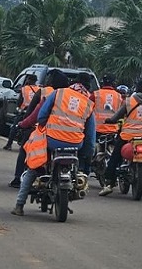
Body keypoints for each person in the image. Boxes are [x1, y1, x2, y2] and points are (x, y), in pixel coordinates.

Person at [11, 74, 95, 216]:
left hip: (52, 140)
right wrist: (86, 156)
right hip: (75, 144)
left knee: (34, 166)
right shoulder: (88, 103)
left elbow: (41, 116)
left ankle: (19, 205)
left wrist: (44, 126)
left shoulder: (58, 93)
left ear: (72, 83)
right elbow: (91, 135)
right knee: (78, 169)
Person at [8, 69, 69, 188]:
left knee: (25, 151)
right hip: (66, 135)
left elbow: (33, 115)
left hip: (41, 131)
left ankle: (18, 180)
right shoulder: (68, 95)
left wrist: (22, 124)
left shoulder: (44, 92)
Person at [99, 79, 142, 197]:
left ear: (136, 89)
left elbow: (116, 117)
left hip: (127, 136)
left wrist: (109, 120)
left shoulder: (129, 102)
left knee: (115, 157)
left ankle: (109, 183)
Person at [3, 74, 39, 151]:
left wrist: (18, 107)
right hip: (35, 113)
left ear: (28, 80)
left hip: (24, 112)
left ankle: (9, 144)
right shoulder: (39, 89)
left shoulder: (24, 89)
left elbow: (19, 101)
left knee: (14, 127)